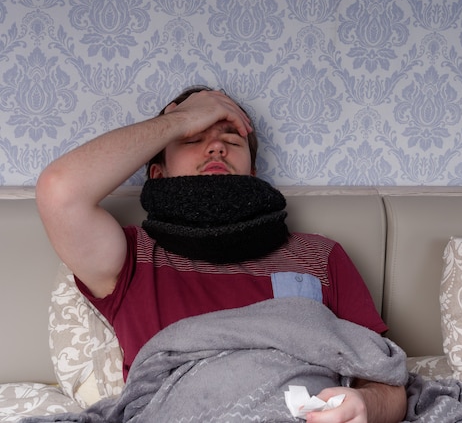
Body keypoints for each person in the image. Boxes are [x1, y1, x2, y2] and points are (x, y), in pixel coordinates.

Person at [36, 86, 407, 423]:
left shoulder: (319, 255)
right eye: (193, 138)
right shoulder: (132, 256)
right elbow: (59, 191)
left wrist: (365, 406)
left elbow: (386, 383)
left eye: (231, 138)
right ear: (157, 173)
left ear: (253, 172)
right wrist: (178, 119)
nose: (216, 147)